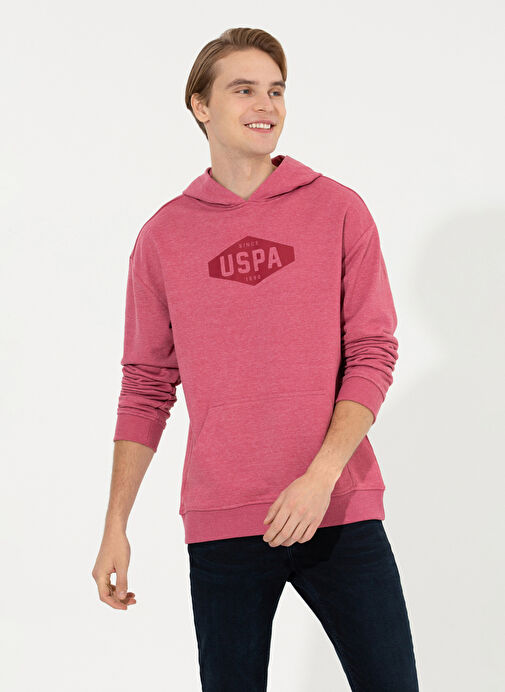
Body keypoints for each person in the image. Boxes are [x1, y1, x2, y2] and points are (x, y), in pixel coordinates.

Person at [92, 26, 419, 692]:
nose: (265, 104)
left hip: (337, 509)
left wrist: (320, 476)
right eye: (243, 90)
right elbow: (146, 385)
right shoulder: (164, 236)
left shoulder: (337, 210)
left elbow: (372, 351)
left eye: (275, 90)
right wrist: (115, 524)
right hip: (224, 521)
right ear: (200, 105)